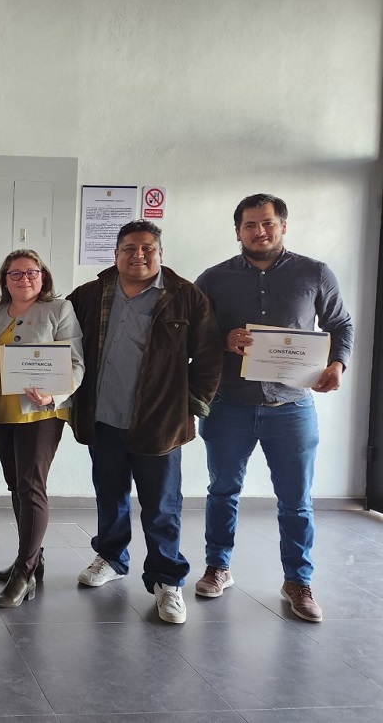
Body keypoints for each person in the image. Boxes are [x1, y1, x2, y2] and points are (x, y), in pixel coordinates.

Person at [193, 194, 353, 623]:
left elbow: (340, 324)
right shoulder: (214, 278)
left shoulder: (315, 273)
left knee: (296, 500)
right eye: (250, 225)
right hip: (229, 403)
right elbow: (191, 332)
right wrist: (224, 339)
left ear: (283, 225)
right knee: (222, 491)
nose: (259, 231)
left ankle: (297, 580)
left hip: (293, 405)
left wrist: (338, 364)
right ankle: (218, 567)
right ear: (238, 231)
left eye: (267, 223)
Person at [67, 220, 222, 624]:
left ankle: (167, 580)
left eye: (147, 248)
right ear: (116, 254)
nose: (138, 255)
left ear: (160, 253)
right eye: (129, 249)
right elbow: (56, 327)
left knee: (162, 506)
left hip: (160, 422)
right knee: (110, 494)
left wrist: (190, 405)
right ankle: (111, 558)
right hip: (103, 416)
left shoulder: (185, 296)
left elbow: (209, 355)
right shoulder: (90, 294)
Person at [0, 249, 85, 608]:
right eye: (16, 273)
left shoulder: (59, 310)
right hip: (2, 411)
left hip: (41, 413)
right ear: (4, 279)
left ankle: (24, 574)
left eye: (32, 272)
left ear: (43, 277)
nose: (24, 279)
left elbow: (76, 363)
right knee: (16, 485)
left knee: (31, 487)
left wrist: (54, 395)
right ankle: (31, 557)